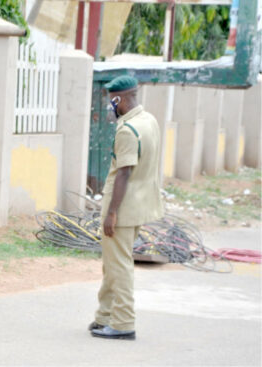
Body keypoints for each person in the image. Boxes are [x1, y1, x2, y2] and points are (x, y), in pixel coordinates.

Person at [89, 75, 163, 340]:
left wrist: (111, 213)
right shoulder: (149, 121)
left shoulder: (127, 130)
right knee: (113, 263)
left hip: (122, 208)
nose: (111, 106)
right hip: (140, 204)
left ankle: (123, 323)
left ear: (118, 99)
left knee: (118, 265)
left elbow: (124, 173)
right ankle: (104, 315)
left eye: (112, 101)